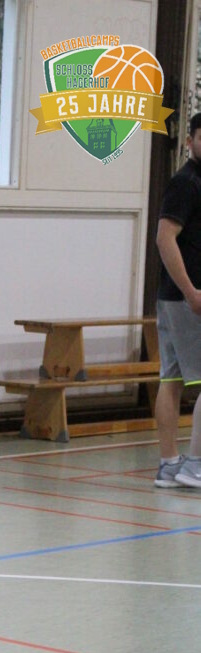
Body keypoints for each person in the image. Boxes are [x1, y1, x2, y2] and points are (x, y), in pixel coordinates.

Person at [154, 112, 201, 487]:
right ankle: (195, 465)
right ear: (189, 141)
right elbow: (164, 237)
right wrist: (190, 291)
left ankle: (169, 464)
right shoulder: (187, 183)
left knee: (171, 379)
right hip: (186, 297)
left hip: (174, 298)